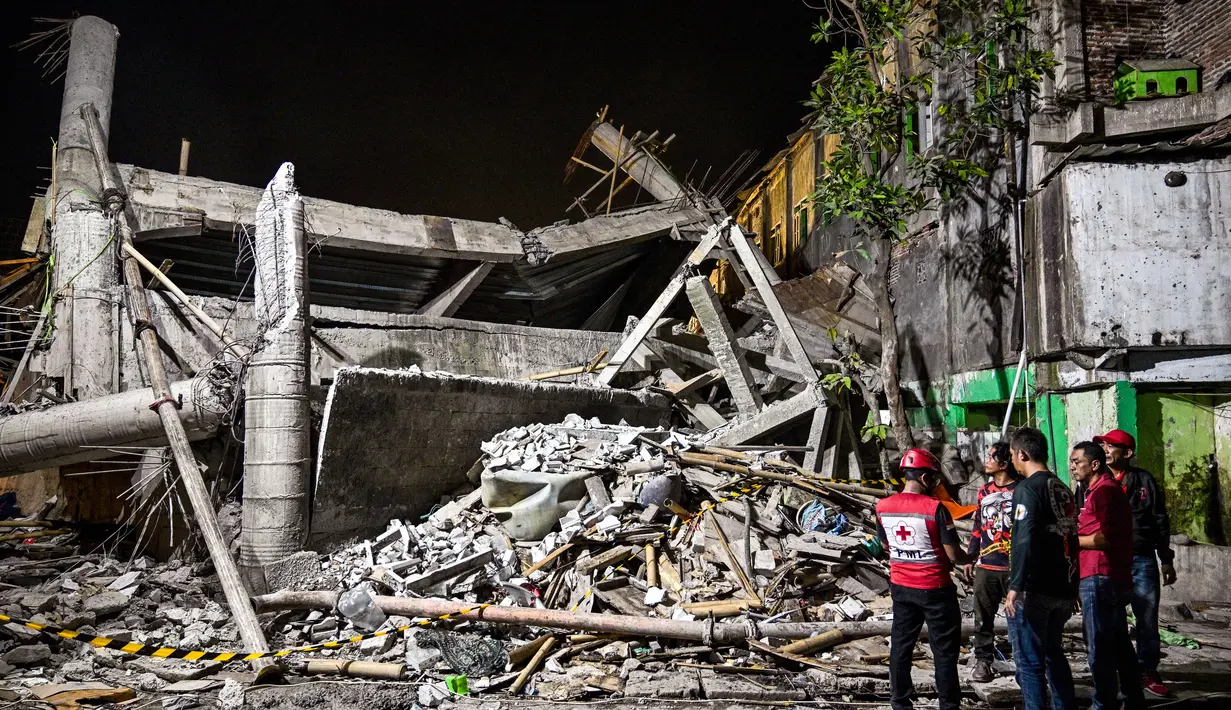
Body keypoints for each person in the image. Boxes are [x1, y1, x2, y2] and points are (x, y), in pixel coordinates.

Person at [875, 448, 970, 710]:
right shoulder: (935, 508)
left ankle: (900, 703)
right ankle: (949, 706)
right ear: (926, 478)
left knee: (901, 646)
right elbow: (953, 555)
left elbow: (885, 545)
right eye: (935, 480)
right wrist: (970, 558)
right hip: (935, 588)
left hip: (902, 587)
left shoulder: (883, 507)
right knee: (944, 651)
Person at [1094, 428, 1176, 698]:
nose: (1105, 450)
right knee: (1110, 619)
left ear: (1127, 454)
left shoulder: (1143, 481)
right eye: (1103, 446)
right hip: (1107, 560)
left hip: (1141, 558)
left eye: (1111, 446)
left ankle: (1148, 671)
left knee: (1147, 618)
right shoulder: (1093, 481)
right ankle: (1117, 671)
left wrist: (1165, 559)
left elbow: (1159, 520)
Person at [1003, 427, 1079, 710]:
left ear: (1022, 453)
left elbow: (1023, 537)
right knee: (1053, 654)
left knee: (1029, 661)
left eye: (1012, 454)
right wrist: (1075, 585)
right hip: (1064, 587)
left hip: (1037, 589)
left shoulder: (1026, 489)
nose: (1011, 460)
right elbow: (1070, 537)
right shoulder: (1062, 487)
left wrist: (1015, 585)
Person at [1071, 441, 1146, 710]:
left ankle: (1103, 703)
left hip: (1100, 576)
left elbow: (1104, 537)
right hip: (1108, 576)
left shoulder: (1104, 491)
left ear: (1094, 464)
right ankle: (1133, 698)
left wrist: (1071, 540)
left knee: (1099, 646)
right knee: (1119, 644)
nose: (1072, 467)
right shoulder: (1094, 491)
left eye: (1077, 461)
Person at [963, 441, 1019, 682]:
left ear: (1004, 464)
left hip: (1014, 567)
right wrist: (971, 555)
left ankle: (1025, 664)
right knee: (983, 618)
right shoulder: (984, 491)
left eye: (991, 457)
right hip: (987, 566)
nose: (986, 460)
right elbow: (978, 525)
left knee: (1019, 619)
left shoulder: (1023, 491)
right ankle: (983, 661)